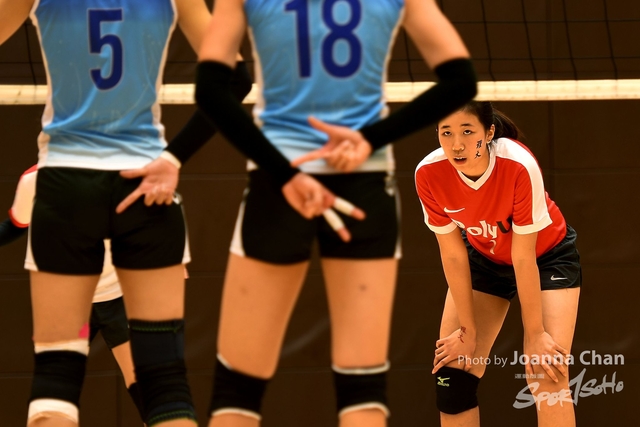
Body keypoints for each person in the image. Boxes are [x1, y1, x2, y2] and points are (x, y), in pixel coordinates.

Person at [194, 1, 477, 426]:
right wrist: (368, 139)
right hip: (362, 183)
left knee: (236, 392)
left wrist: (285, 174)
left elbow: (211, 90)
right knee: (363, 390)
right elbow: (461, 81)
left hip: (279, 184)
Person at [414, 101, 581, 426]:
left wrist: (535, 334)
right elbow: (452, 253)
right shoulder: (429, 173)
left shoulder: (517, 164)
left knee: (547, 371)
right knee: (453, 373)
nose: (457, 144)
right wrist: (467, 331)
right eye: (446, 133)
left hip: (546, 256)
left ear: (489, 132)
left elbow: (523, 256)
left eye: (467, 132)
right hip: (485, 257)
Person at [0, 165, 144, 422]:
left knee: (144, 383)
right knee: (53, 392)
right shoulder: (34, 179)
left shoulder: (121, 170)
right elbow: (16, 224)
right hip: (66, 302)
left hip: (117, 296)